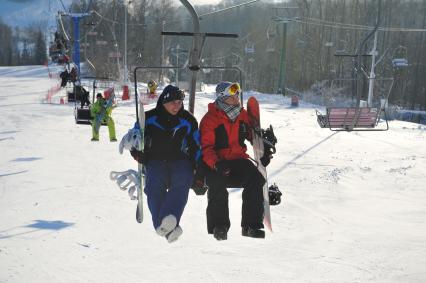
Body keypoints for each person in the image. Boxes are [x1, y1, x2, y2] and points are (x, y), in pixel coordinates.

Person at [197, 81, 273, 241]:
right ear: (223, 98)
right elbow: (206, 148)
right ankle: (219, 226)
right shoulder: (210, 119)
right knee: (216, 183)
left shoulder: (242, 115)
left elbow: (253, 136)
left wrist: (264, 149)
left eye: (238, 95)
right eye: (233, 96)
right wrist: (216, 163)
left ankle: (251, 225)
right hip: (217, 162)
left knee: (255, 178)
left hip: (238, 159)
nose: (237, 98)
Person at [130, 85, 200, 243]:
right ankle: (168, 229)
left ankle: (165, 223)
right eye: (173, 102)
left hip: (180, 160)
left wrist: (198, 165)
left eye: (180, 102)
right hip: (154, 160)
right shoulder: (148, 118)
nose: (177, 106)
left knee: (183, 180)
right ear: (164, 102)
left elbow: (197, 144)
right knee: (154, 184)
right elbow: (134, 139)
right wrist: (137, 153)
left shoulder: (188, 120)